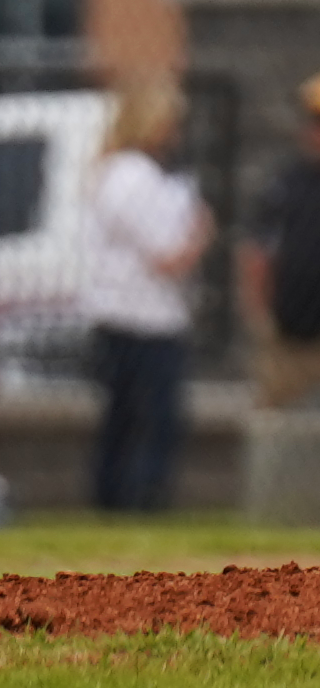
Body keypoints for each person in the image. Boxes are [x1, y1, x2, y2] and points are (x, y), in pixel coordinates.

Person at [81, 77, 209, 511]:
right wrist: (199, 237)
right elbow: (168, 256)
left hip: (140, 315)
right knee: (148, 420)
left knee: (125, 418)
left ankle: (120, 498)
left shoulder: (136, 175)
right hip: (140, 318)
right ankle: (136, 501)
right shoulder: (131, 176)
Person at [235, 65, 320, 411]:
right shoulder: (288, 185)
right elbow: (257, 252)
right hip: (289, 338)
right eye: (317, 123)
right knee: (273, 422)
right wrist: (261, 319)